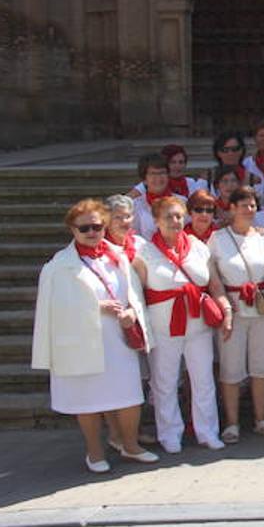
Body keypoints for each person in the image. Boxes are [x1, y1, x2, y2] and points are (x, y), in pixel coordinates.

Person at [33, 200, 156, 472]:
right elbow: (53, 309)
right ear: (72, 229)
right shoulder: (58, 266)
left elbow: (134, 294)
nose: (91, 232)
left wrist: (132, 314)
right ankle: (95, 452)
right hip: (81, 341)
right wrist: (95, 307)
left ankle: (130, 445)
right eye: (84, 227)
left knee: (128, 396)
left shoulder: (117, 256)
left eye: (97, 226)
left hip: (118, 339)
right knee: (87, 400)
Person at [136, 195, 232, 452]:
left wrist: (226, 309)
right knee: (164, 381)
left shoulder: (199, 247)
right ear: (156, 220)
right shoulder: (144, 252)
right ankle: (169, 433)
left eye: (179, 216)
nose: (175, 221)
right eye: (168, 216)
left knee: (203, 379)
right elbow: (139, 292)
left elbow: (214, 284)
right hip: (162, 325)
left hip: (198, 324)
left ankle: (207, 431)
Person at [209, 187, 264, 441]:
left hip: (263, 307)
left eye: (252, 206)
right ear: (231, 208)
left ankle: (261, 418)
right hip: (233, 307)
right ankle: (232, 423)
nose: (248, 210)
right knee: (231, 367)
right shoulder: (218, 238)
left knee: (261, 365)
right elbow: (213, 275)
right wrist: (223, 305)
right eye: (243, 205)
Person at [131, 152, 172, 239]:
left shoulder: (182, 202)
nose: (158, 177)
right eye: (153, 173)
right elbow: (134, 237)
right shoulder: (135, 206)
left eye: (162, 173)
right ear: (144, 179)